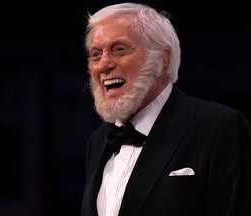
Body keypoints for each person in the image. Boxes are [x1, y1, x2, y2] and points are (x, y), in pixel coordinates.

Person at [80, 2, 251, 216]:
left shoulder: (219, 128)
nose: (103, 64)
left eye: (120, 49)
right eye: (96, 54)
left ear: (162, 59)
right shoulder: (97, 141)